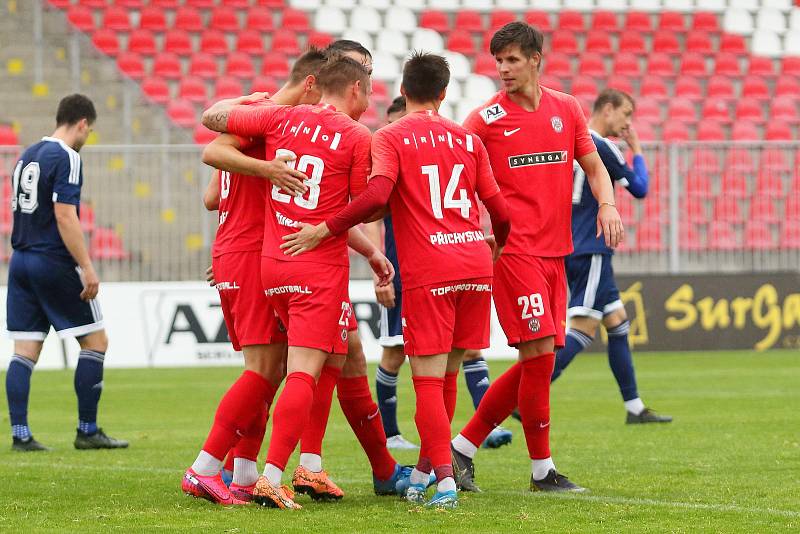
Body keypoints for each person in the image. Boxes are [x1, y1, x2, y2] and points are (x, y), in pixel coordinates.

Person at [280, 52, 511, 510]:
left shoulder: (390, 136)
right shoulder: (468, 140)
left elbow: (378, 195)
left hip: (431, 267)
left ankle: (444, 480)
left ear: (402, 91)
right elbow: (500, 212)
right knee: (449, 373)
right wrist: (496, 246)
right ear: (444, 94)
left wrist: (327, 227)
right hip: (474, 262)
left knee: (425, 379)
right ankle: (425, 468)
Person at [202, 55, 394, 510]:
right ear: (353, 88)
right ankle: (258, 472)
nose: (369, 104)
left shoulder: (277, 117)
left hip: (271, 263)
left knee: (304, 362)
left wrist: (243, 105)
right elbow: (368, 202)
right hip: (316, 262)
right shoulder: (354, 135)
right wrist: (332, 228)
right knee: (298, 370)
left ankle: (261, 468)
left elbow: (212, 125)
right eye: (367, 91)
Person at [448, 22, 623, 494]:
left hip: (556, 253)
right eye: (498, 61)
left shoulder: (566, 108)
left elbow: (594, 166)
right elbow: (450, 175)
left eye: (512, 60)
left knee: (540, 359)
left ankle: (462, 448)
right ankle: (542, 471)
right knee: (539, 352)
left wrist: (607, 204)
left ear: (535, 59)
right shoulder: (484, 120)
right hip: (513, 252)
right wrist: (470, 231)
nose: (503, 69)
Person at [183, 48, 328, 507]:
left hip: (235, 248)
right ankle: (205, 468)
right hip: (249, 251)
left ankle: (243, 476)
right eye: (322, 96)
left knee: (274, 367)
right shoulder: (273, 118)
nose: (321, 111)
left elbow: (212, 198)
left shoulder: (247, 112)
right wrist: (268, 171)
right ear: (310, 85)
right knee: (264, 372)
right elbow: (212, 152)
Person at [367, 96, 513, 451]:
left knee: (464, 353)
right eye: (390, 124)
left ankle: (477, 428)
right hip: (402, 270)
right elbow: (373, 220)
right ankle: (393, 434)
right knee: (396, 353)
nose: (397, 129)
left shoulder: (437, 150)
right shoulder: (389, 155)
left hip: (445, 264)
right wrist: (379, 274)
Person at [5, 94, 128, 452]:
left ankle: (21, 435)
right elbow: (64, 215)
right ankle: (87, 430)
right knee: (96, 342)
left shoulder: (26, 154)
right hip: (52, 261)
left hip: (21, 260)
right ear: (83, 124)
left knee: (25, 349)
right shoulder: (68, 157)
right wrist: (87, 267)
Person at [553, 88, 672, 425]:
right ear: (607, 110)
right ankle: (521, 394)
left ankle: (634, 407)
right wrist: (636, 149)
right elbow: (640, 188)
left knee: (617, 322)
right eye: (626, 114)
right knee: (583, 326)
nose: (627, 123)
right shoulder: (600, 146)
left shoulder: (569, 143)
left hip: (575, 243)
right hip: (590, 246)